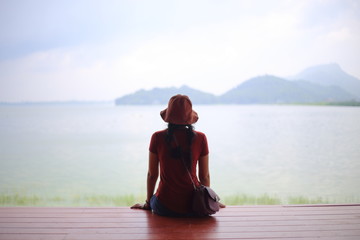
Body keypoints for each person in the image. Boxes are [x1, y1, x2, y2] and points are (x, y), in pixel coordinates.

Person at [131, 94, 225, 216]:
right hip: (193, 207)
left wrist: (148, 203)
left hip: (164, 206)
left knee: (156, 199)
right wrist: (208, 202)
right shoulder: (201, 138)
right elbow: (204, 176)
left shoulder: (157, 137)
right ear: (190, 116)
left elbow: (152, 175)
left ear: (168, 115)